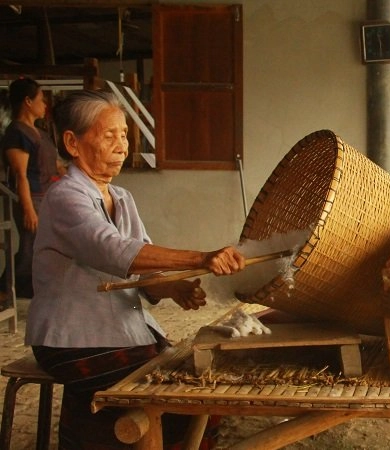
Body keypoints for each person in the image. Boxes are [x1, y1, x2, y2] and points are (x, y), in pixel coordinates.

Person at [24, 89, 247, 449]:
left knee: (198, 380)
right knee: (180, 394)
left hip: (126, 333)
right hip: (73, 342)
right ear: (73, 142)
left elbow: (142, 276)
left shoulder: (123, 198)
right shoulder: (65, 196)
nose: (121, 145)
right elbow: (114, 252)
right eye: (109, 135)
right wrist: (202, 257)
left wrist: (171, 288)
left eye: (125, 135)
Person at [0, 77, 62, 300]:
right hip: (32, 197)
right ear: (27, 101)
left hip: (47, 196)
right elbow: (21, 175)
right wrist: (27, 208)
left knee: (44, 247)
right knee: (29, 249)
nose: (44, 104)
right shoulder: (17, 133)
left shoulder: (40, 133)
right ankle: (3, 291)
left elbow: (55, 166)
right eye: (40, 99)